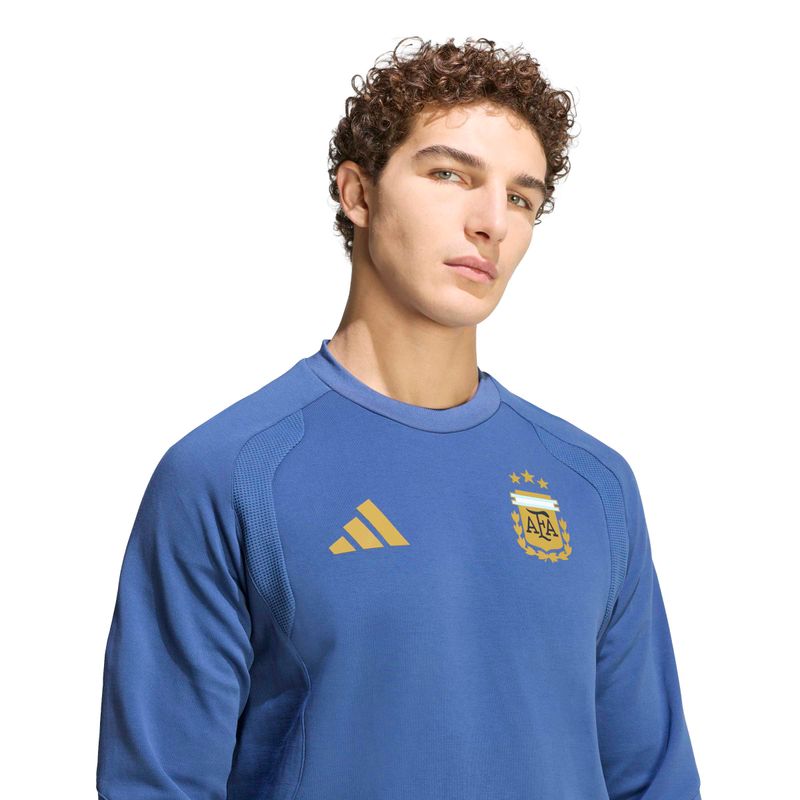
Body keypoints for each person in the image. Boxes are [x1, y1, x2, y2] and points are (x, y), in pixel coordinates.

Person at [96, 35, 702, 800]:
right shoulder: (228, 475)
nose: (491, 221)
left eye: (521, 197)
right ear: (357, 194)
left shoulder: (593, 484)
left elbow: (653, 782)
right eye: (450, 174)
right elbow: (159, 785)